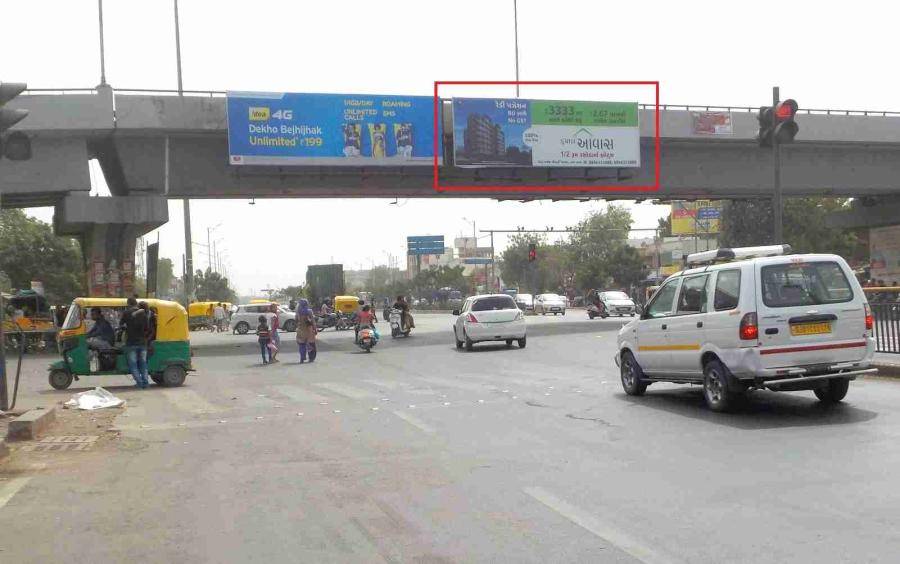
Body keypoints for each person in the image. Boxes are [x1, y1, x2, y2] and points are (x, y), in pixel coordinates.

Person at [120, 296, 150, 388]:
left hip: (131, 343)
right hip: (143, 343)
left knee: (133, 364)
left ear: (128, 304)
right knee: (143, 364)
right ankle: (145, 382)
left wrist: (127, 328)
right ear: (136, 303)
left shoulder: (126, 313)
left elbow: (121, 324)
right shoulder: (143, 313)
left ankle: (139, 383)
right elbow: (146, 328)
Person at [295, 298, 318, 363]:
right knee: (311, 344)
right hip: (309, 329)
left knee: (301, 344)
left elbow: (296, 321)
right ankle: (311, 358)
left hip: (301, 329)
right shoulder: (309, 311)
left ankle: (302, 357)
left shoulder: (298, 312)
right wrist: (315, 329)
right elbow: (313, 321)